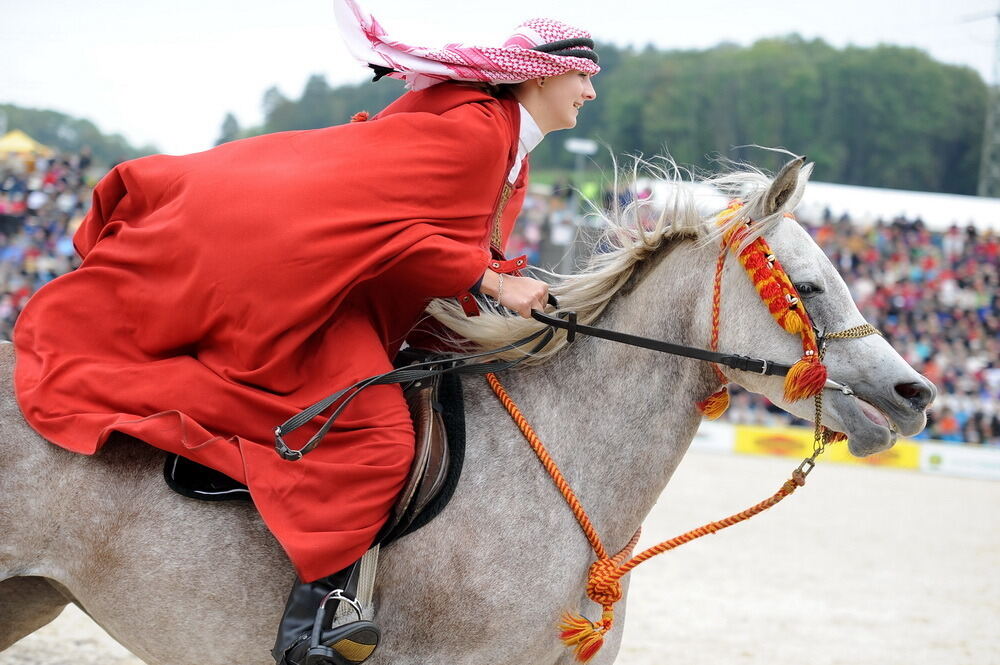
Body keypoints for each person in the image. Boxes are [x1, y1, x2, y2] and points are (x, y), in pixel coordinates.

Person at [11, 1, 598, 663]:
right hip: (322, 296)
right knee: (374, 435)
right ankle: (313, 620)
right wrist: (493, 282)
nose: (591, 89)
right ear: (541, 76)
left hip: (363, 293)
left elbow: (428, 230)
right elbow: (400, 235)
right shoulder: (479, 133)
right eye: (582, 75)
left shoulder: (503, 143)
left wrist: (502, 286)